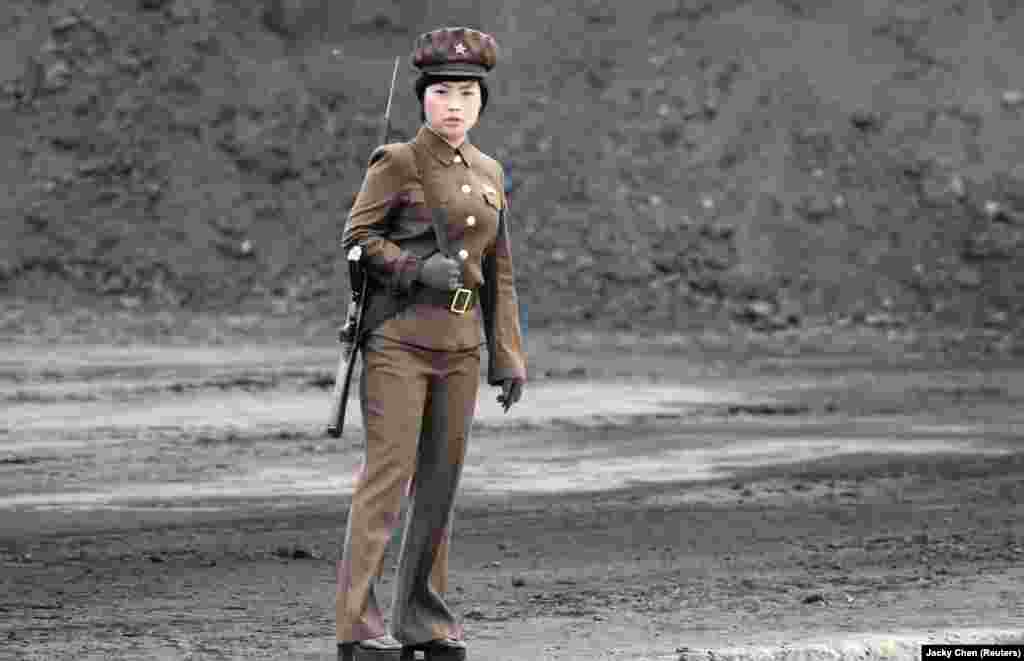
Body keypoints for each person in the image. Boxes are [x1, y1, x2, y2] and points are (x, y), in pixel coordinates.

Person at [336, 27, 526, 661]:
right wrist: (416, 270)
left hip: (461, 347)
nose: (454, 104)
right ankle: (359, 631)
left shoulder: (489, 170)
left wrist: (507, 356)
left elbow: (499, 268)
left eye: (466, 93)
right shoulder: (398, 161)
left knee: (441, 486)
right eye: (442, 91)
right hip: (399, 342)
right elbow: (356, 239)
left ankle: (423, 622)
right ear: (423, 98)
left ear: (481, 103)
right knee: (386, 482)